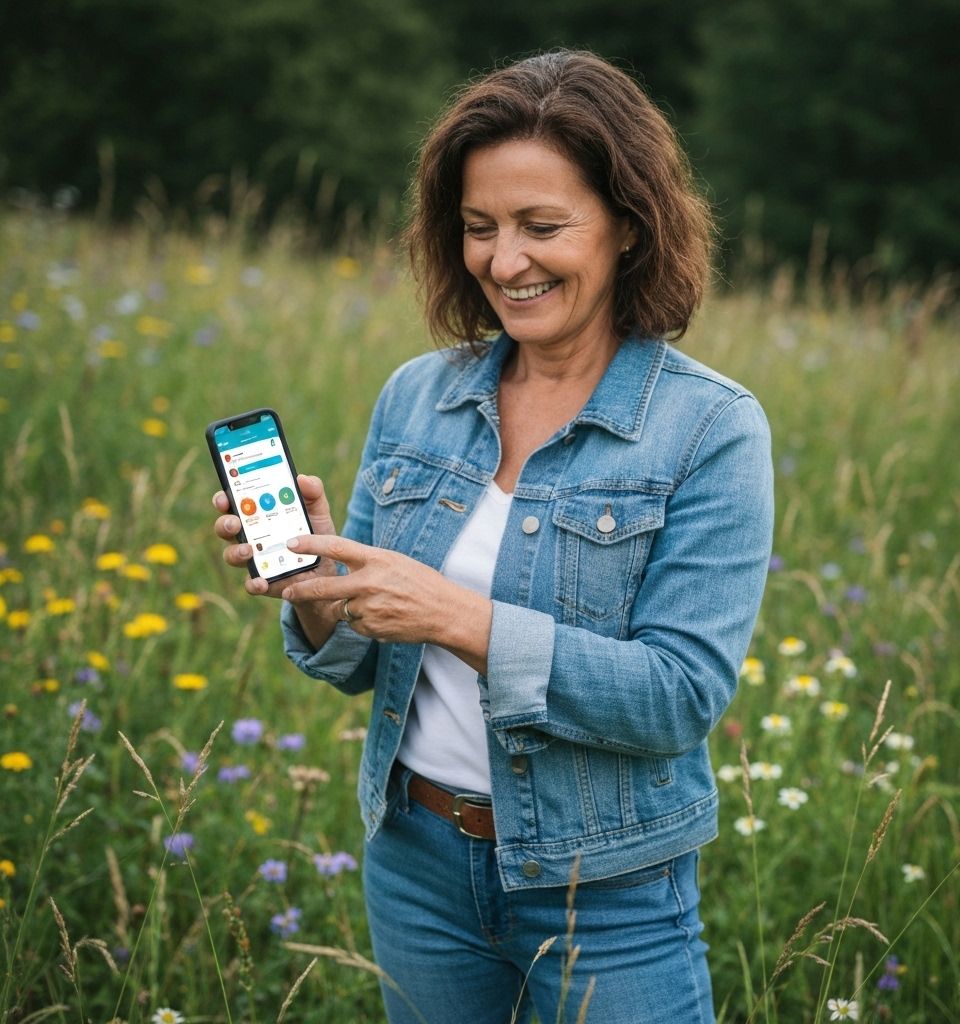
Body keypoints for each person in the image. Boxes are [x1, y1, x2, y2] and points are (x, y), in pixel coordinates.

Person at [213, 49, 773, 1024]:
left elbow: (679, 695)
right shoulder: (418, 396)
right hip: (414, 865)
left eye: (540, 226)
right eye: (478, 228)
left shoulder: (709, 428)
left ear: (630, 228)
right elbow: (356, 664)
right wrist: (318, 598)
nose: (503, 261)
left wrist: (459, 617)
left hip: (603, 890)